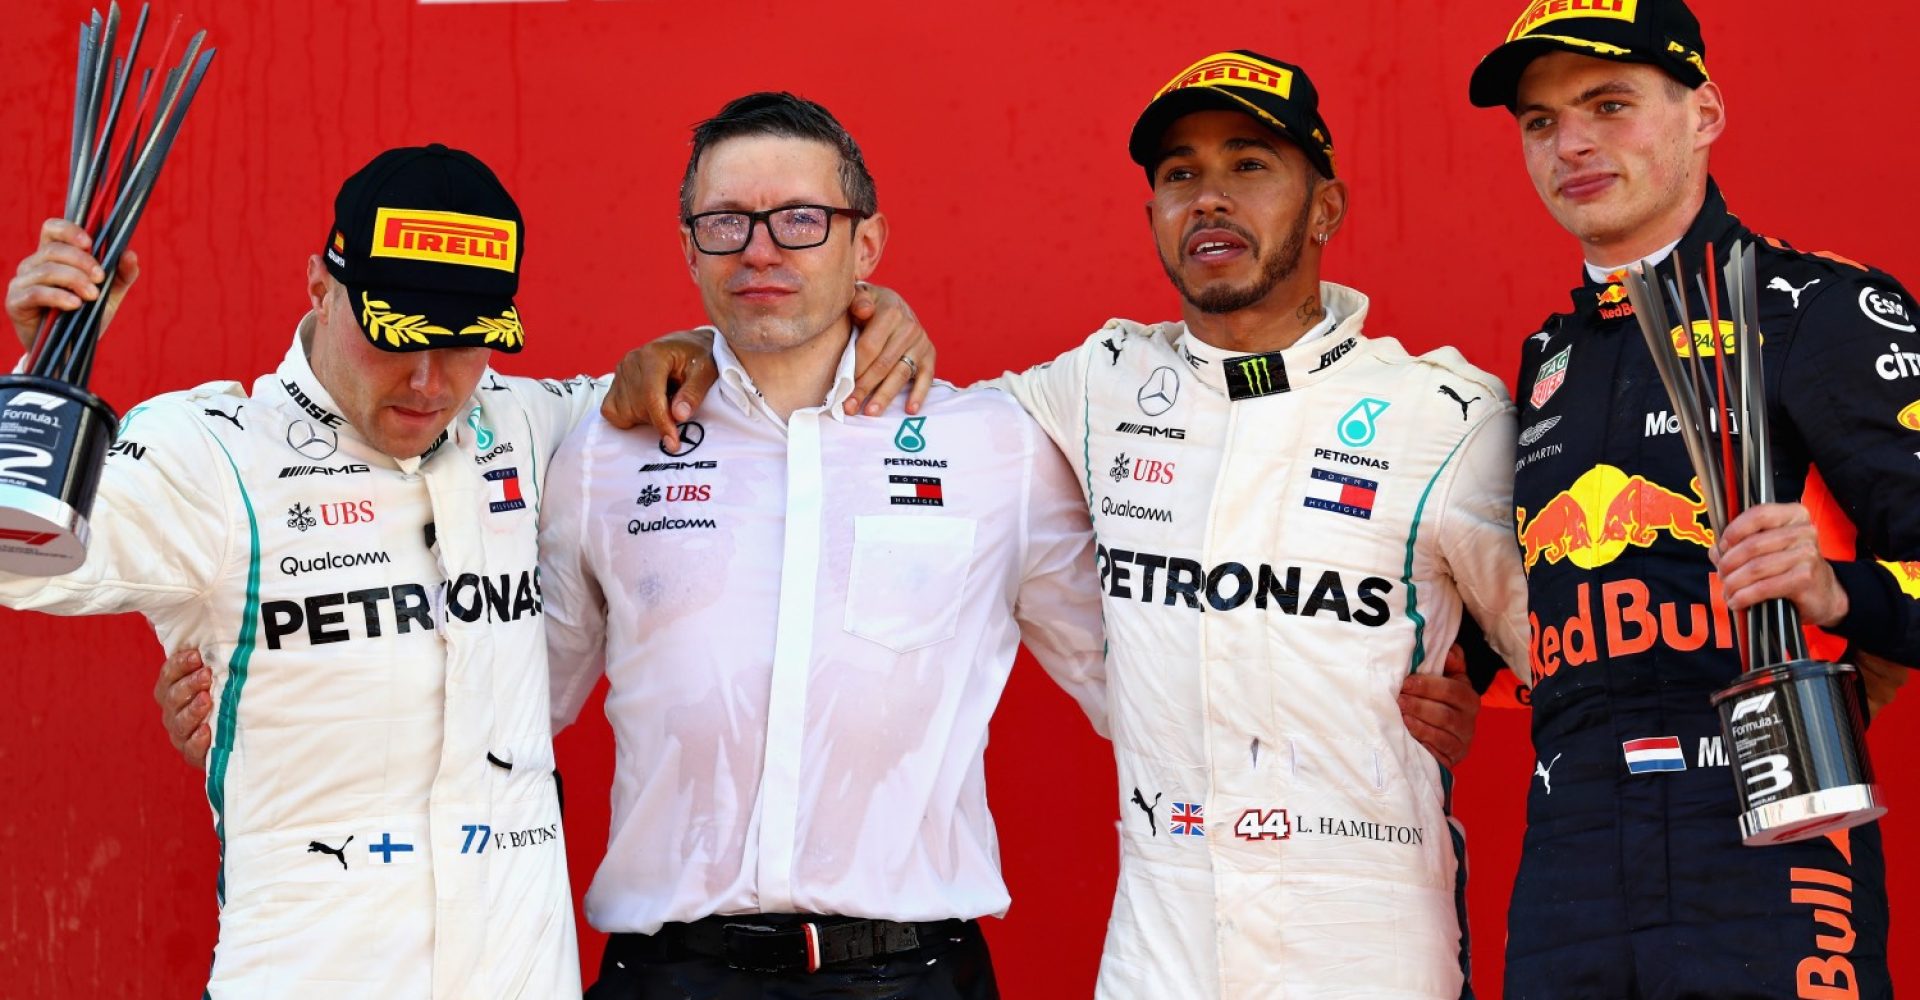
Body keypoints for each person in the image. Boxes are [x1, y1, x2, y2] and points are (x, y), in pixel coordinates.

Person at [622, 53, 1530, 999]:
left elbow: (1564, 655)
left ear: (1327, 207)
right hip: (1161, 938)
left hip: (1368, 928)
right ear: (1151, 219)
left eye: (1250, 165)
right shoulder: (1094, 388)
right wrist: (731, 339)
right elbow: (895, 405)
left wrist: (1478, 691)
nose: (1209, 199)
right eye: (1181, 175)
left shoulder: (1446, 414)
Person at [537, 91, 1109, 999]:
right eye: (726, 222)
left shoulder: (994, 447)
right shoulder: (605, 448)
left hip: (913, 972)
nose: (760, 249)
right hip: (671, 977)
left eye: (801, 220)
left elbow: (1138, 683)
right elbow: (513, 707)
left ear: (866, 246)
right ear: (689, 249)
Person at [0, 144, 606, 999]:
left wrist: (860, 317)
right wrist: (39, 394)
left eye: (466, 343)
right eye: (399, 337)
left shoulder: (531, 422)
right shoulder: (208, 452)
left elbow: (728, 404)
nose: (432, 381)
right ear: (321, 288)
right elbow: (19, 559)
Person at [1468, 1, 1920, 995]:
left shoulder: (1815, 308)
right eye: (1540, 122)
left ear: (1704, 112)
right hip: (1571, 855)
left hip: (1766, 832)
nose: (1572, 142)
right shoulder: (1549, 357)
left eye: (1610, 104)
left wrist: (1839, 591)